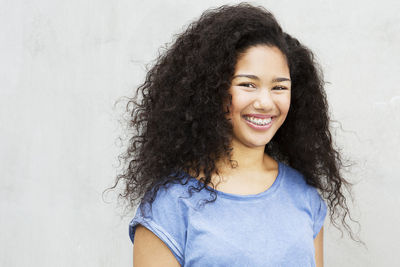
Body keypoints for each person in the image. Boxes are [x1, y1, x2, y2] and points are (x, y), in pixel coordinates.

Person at [114, 3, 359, 266]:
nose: (265, 102)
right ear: (211, 90)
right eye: (248, 84)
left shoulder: (303, 195)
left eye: (279, 87)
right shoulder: (170, 205)